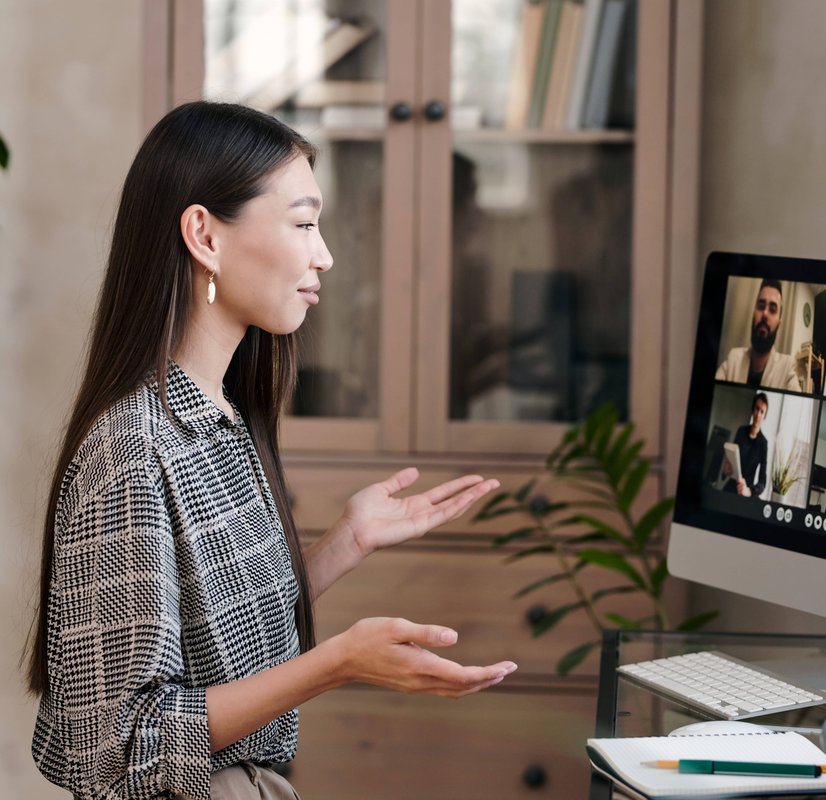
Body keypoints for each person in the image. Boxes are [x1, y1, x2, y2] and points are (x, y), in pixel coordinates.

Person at [24, 101, 517, 800]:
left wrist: (347, 541)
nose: (325, 255)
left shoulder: (220, 414)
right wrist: (337, 662)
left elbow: (209, 639)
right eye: (303, 223)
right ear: (205, 235)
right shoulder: (133, 448)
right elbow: (124, 749)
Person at [715, 279, 802, 390]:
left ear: (779, 324)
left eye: (772, 309)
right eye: (761, 306)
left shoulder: (787, 368)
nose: (765, 313)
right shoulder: (733, 358)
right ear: (753, 314)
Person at [719, 392, 769, 498]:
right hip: (731, 485)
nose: (758, 414)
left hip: (746, 491)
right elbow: (731, 459)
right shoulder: (741, 431)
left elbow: (762, 482)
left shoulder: (763, 443)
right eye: (757, 408)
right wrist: (725, 470)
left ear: (764, 416)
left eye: (762, 412)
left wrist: (749, 491)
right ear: (752, 409)